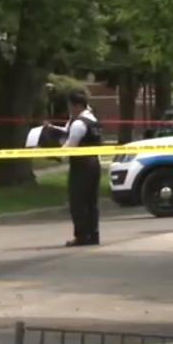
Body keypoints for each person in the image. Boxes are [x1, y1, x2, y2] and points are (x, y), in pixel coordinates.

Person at [46, 89, 102, 246]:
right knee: (91, 202)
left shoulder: (79, 124)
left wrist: (55, 154)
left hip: (81, 165)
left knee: (78, 201)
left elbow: (70, 146)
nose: (69, 109)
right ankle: (93, 234)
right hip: (94, 163)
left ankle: (82, 236)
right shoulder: (93, 120)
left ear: (77, 105)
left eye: (70, 105)